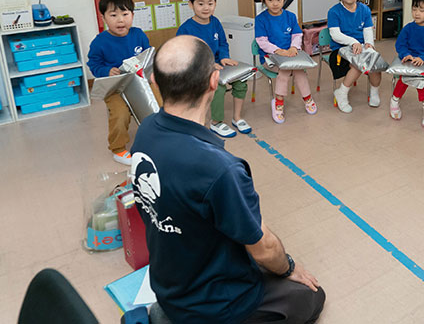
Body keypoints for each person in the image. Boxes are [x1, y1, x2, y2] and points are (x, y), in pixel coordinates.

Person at [129, 36, 325, 324]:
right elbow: (263, 247)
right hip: (213, 303)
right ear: (214, 81)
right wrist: (289, 268)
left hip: (168, 285)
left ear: (154, 82)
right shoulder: (219, 168)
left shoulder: (145, 130)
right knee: (310, 297)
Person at [87, 0, 160, 165]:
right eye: (113, 15)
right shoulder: (99, 42)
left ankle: (159, 137)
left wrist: (152, 72)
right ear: (103, 17)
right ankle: (118, 149)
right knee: (120, 114)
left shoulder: (138, 35)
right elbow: (94, 65)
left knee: (159, 106)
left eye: (125, 14)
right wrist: (106, 70)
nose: (120, 20)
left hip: (141, 82)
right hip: (115, 88)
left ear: (132, 15)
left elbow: (148, 56)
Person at [176, 0, 251, 138]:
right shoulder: (186, 29)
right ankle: (216, 123)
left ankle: (237, 118)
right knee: (217, 87)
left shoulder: (215, 22)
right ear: (191, 4)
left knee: (241, 82)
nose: (206, 8)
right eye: (201, 3)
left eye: (210, 3)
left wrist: (224, 58)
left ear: (215, 3)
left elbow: (223, 43)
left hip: (218, 65)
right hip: (197, 69)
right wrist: (207, 65)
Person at [254, 0, 317, 124]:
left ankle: (308, 98)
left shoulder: (290, 16)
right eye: (270, 0)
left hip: (290, 55)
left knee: (299, 70)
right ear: (263, 0)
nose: (275, 3)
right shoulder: (261, 19)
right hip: (270, 58)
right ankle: (278, 102)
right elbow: (261, 41)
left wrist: (294, 48)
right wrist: (279, 51)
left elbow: (297, 35)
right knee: (284, 71)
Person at [327, 0, 381, 113]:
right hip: (340, 50)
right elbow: (335, 34)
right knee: (358, 65)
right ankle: (342, 93)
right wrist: (353, 42)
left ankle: (374, 92)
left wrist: (369, 43)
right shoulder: (334, 11)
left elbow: (368, 29)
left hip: (361, 48)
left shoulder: (364, 10)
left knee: (375, 64)